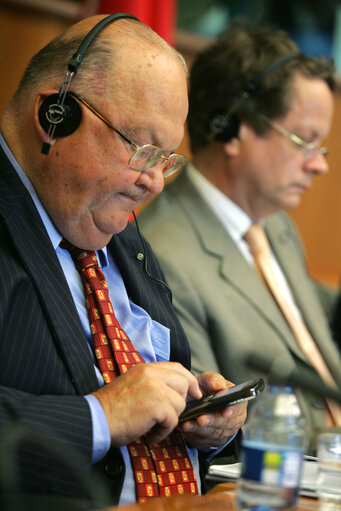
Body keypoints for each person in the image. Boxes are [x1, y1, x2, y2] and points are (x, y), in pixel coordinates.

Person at [0, 14, 247, 509]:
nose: (154, 181)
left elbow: (144, 384)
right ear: (56, 115)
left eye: (167, 159)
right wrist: (101, 415)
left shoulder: (113, 223)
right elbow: (115, 406)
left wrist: (205, 421)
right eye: (141, 148)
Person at [138, 23, 341, 452]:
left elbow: (302, 324)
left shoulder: (273, 226)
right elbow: (210, 423)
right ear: (236, 129)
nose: (319, 166)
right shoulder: (163, 255)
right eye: (305, 141)